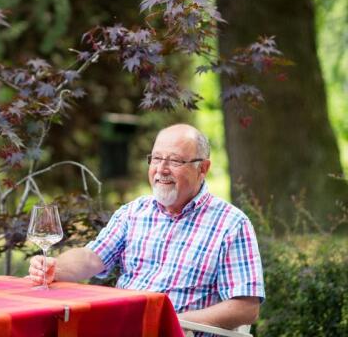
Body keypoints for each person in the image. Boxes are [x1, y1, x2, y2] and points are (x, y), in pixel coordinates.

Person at [28, 124, 264, 330]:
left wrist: (170, 322)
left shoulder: (231, 224)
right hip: (122, 327)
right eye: (157, 158)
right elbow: (91, 258)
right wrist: (54, 267)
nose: (161, 169)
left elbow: (245, 308)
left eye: (174, 160)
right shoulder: (134, 212)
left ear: (202, 168)